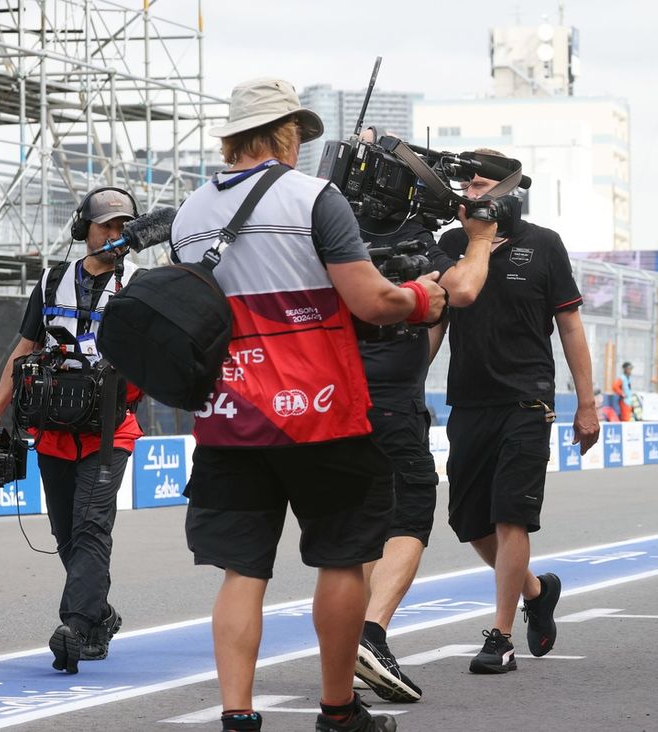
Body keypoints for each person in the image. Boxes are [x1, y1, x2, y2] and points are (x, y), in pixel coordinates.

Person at [170, 78, 444, 732]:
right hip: (321, 411)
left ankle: (237, 715)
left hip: (233, 414)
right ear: (288, 132)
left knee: (243, 570)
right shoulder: (314, 198)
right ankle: (337, 711)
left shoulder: (189, 214)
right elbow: (371, 302)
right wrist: (423, 296)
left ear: (233, 136)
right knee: (343, 559)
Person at [433, 157, 600, 674]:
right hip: (468, 401)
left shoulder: (543, 243)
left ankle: (500, 637)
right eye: (466, 183)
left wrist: (587, 404)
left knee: (511, 513)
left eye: (480, 184)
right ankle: (535, 590)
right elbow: (436, 319)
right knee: (467, 519)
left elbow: (570, 327)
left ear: (511, 190)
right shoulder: (450, 245)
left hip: (527, 399)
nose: (469, 191)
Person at [351, 131, 498, 704]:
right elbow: (459, 289)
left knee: (355, 527)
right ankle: (368, 633)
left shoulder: (331, 230)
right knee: (409, 515)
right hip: (388, 400)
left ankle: (344, 647)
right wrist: (480, 238)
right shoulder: (407, 237)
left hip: (332, 398)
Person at [0, 186, 144, 674]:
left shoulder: (139, 284)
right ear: (84, 230)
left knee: (93, 526)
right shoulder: (51, 281)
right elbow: (22, 350)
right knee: (65, 534)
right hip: (51, 432)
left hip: (111, 433)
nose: (115, 236)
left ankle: (74, 626)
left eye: (123, 228)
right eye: (106, 226)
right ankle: (101, 614)